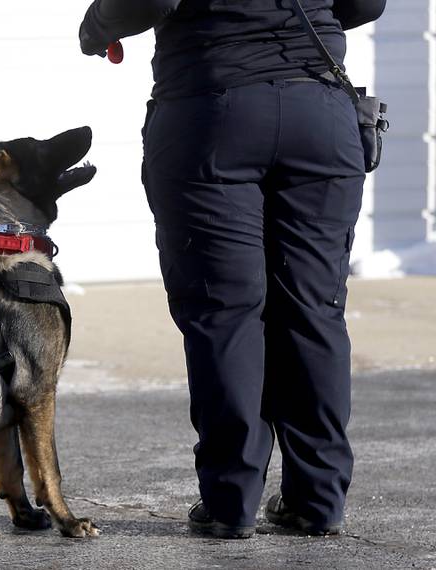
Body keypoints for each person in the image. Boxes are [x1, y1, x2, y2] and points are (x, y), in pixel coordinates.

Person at [79, 0, 386, 538]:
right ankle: (316, 501)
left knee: (224, 312)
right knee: (315, 311)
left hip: (212, 114)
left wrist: (97, 26)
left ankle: (230, 499)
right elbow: (366, 2)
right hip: (321, 112)